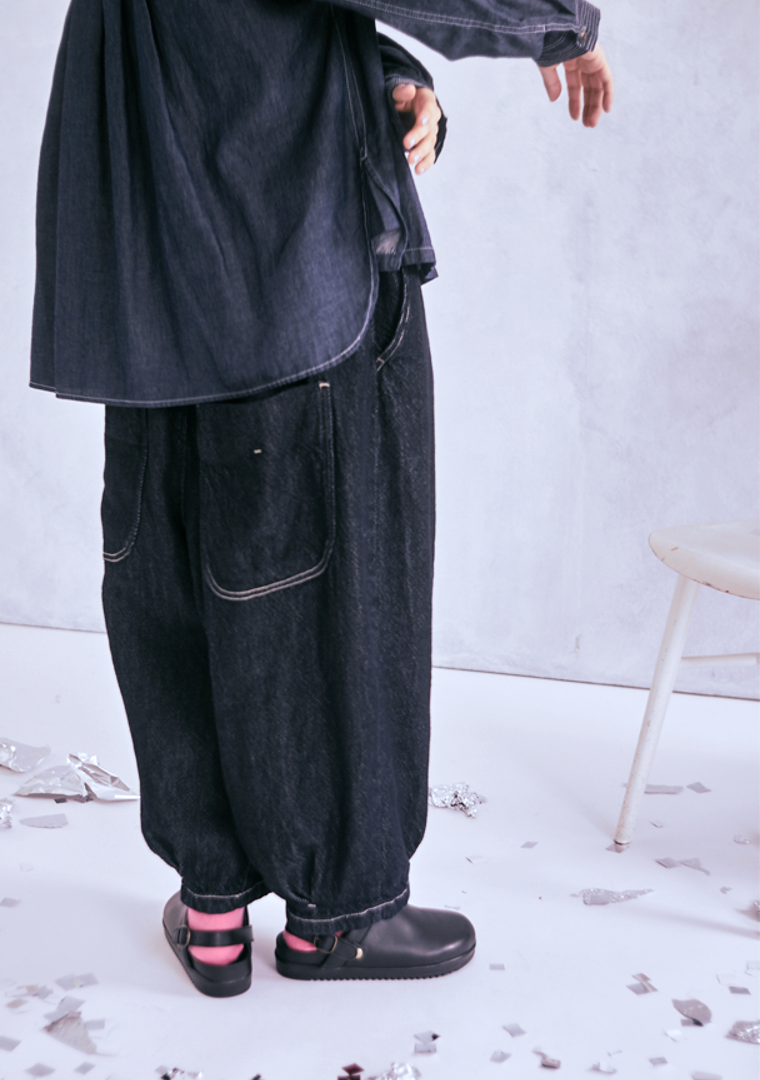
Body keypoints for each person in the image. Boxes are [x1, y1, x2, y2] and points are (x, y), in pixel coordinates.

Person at [31, 0, 613, 998]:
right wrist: (564, 23)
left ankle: (214, 909)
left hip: (150, 290)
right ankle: (340, 918)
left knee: (174, 590)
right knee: (341, 607)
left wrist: (382, 74)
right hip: (296, 278)